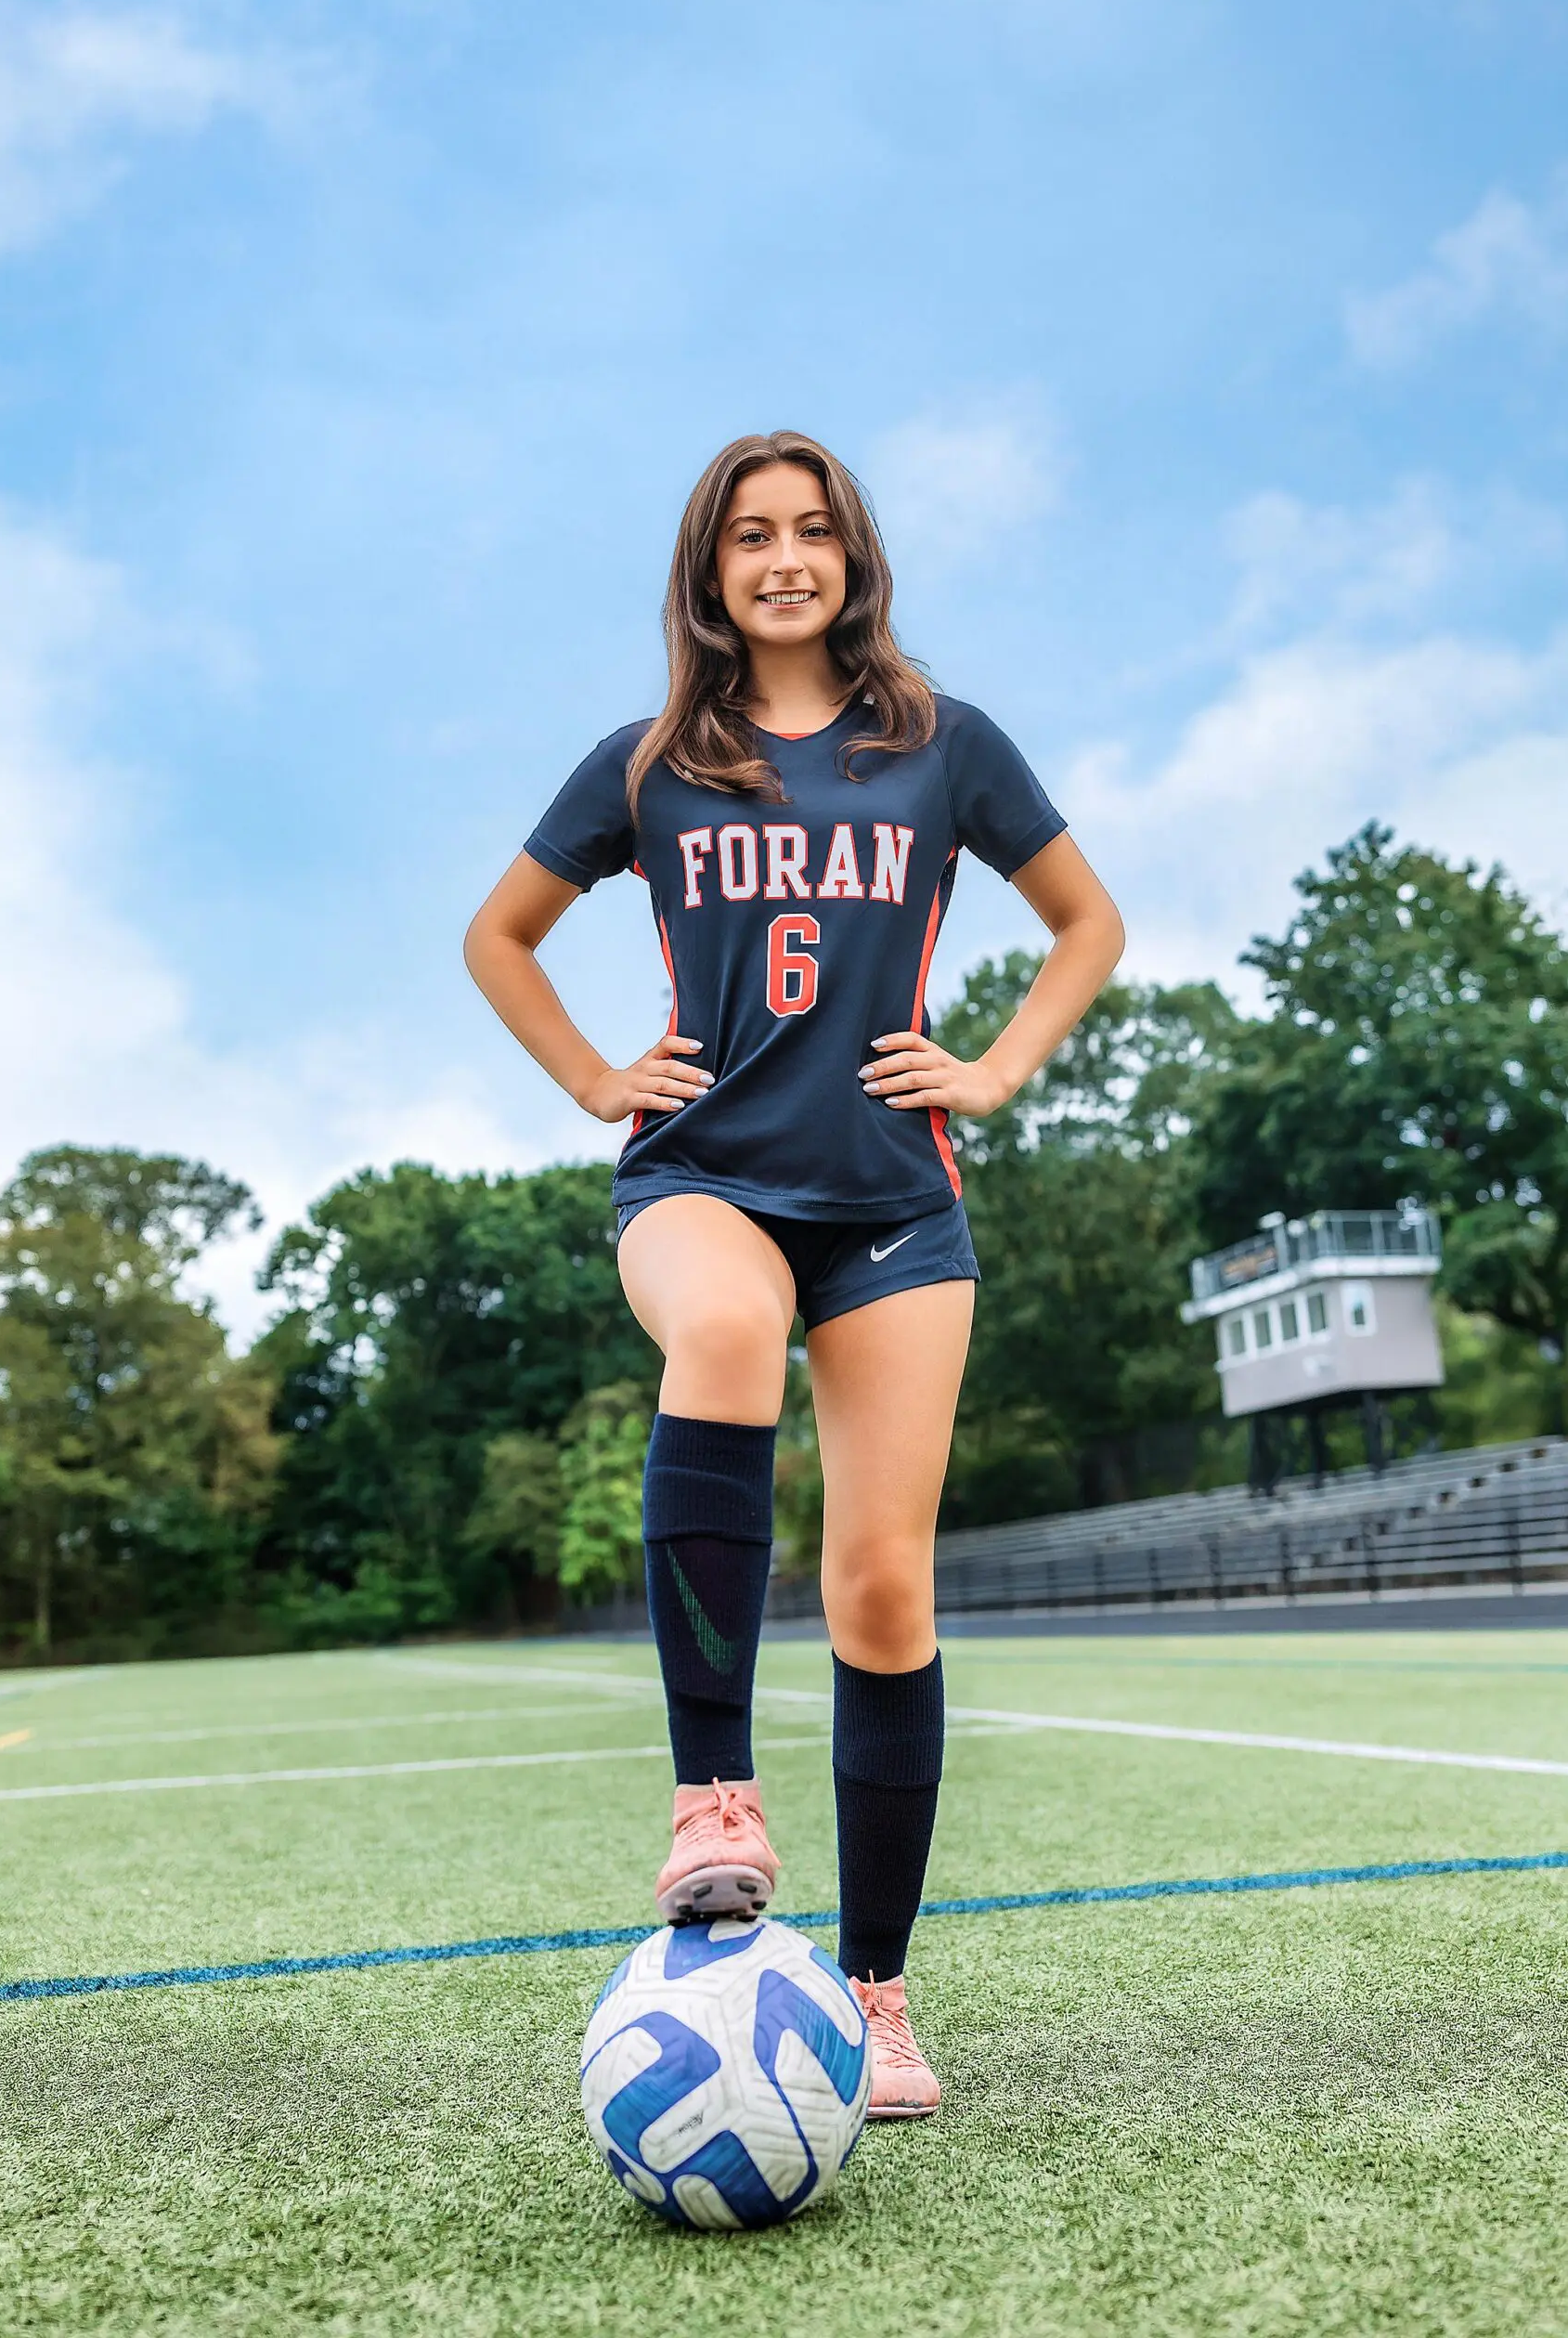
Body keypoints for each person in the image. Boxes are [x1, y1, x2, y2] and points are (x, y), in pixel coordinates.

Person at [464, 430, 1123, 2118]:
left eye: (811, 532)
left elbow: (1086, 925)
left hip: (895, 1205)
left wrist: (987, 1071)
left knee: (882, 1592)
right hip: (702, 1177)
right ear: (708, 568)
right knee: (729, 1329)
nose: (783, 560)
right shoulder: (646, 766)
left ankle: (880, 1995)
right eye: (750, 536)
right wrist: (600, 1079)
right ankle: (713, 1799)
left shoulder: (942, 746)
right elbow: (499, 937)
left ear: (852, 557)